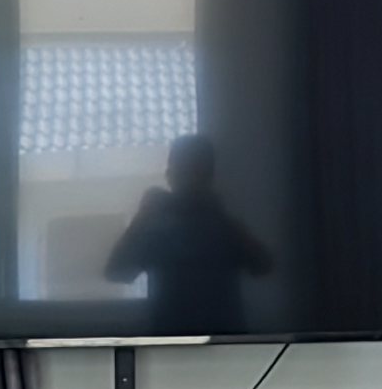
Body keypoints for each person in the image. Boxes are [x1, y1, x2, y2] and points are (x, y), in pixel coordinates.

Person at [103, 136, 273, 339]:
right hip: (204, 342)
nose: (188, 180)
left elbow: (264, 266)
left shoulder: (218, 225)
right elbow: (116, 272)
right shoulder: (159, 225)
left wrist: (144, 219)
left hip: (197, 342)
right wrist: (144, 218)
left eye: (192, 171)